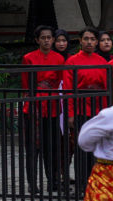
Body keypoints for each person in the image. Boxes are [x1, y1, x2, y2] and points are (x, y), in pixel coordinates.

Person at [21, 25, 64, 194]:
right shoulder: (28, 58)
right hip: (34, 107)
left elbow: (59, 80)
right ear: (37, 40)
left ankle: (52, 181)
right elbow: (26, 83)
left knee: (51, 147)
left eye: (49, 37)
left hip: (52, 106)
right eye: (43, 37)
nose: (47, 40)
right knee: (33, 147)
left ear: (53, 39)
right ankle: (32, 183)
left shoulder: (59, 59)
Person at [52, 29, 74, 188]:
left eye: (64, 40)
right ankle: (55, 174)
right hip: (55, 100)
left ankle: (65, 171)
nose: (61, 44)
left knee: (69, 140)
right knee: (57, 139)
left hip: (70, 101)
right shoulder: (53, 59)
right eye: (58, 40)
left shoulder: (72, 59)